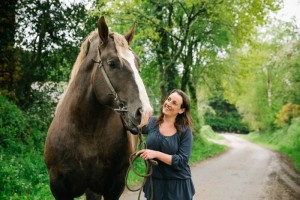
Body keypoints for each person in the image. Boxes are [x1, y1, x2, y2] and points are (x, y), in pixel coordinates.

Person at [132, 89, 195, 200]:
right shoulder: (151, 122)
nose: (168, 103)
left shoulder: (185, 131)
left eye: (174, 103)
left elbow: (182, 161)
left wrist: (155, 154)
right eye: (168, 99)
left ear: (181, 110)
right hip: (155, 184)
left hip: (177, 186)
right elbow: (131, 126)